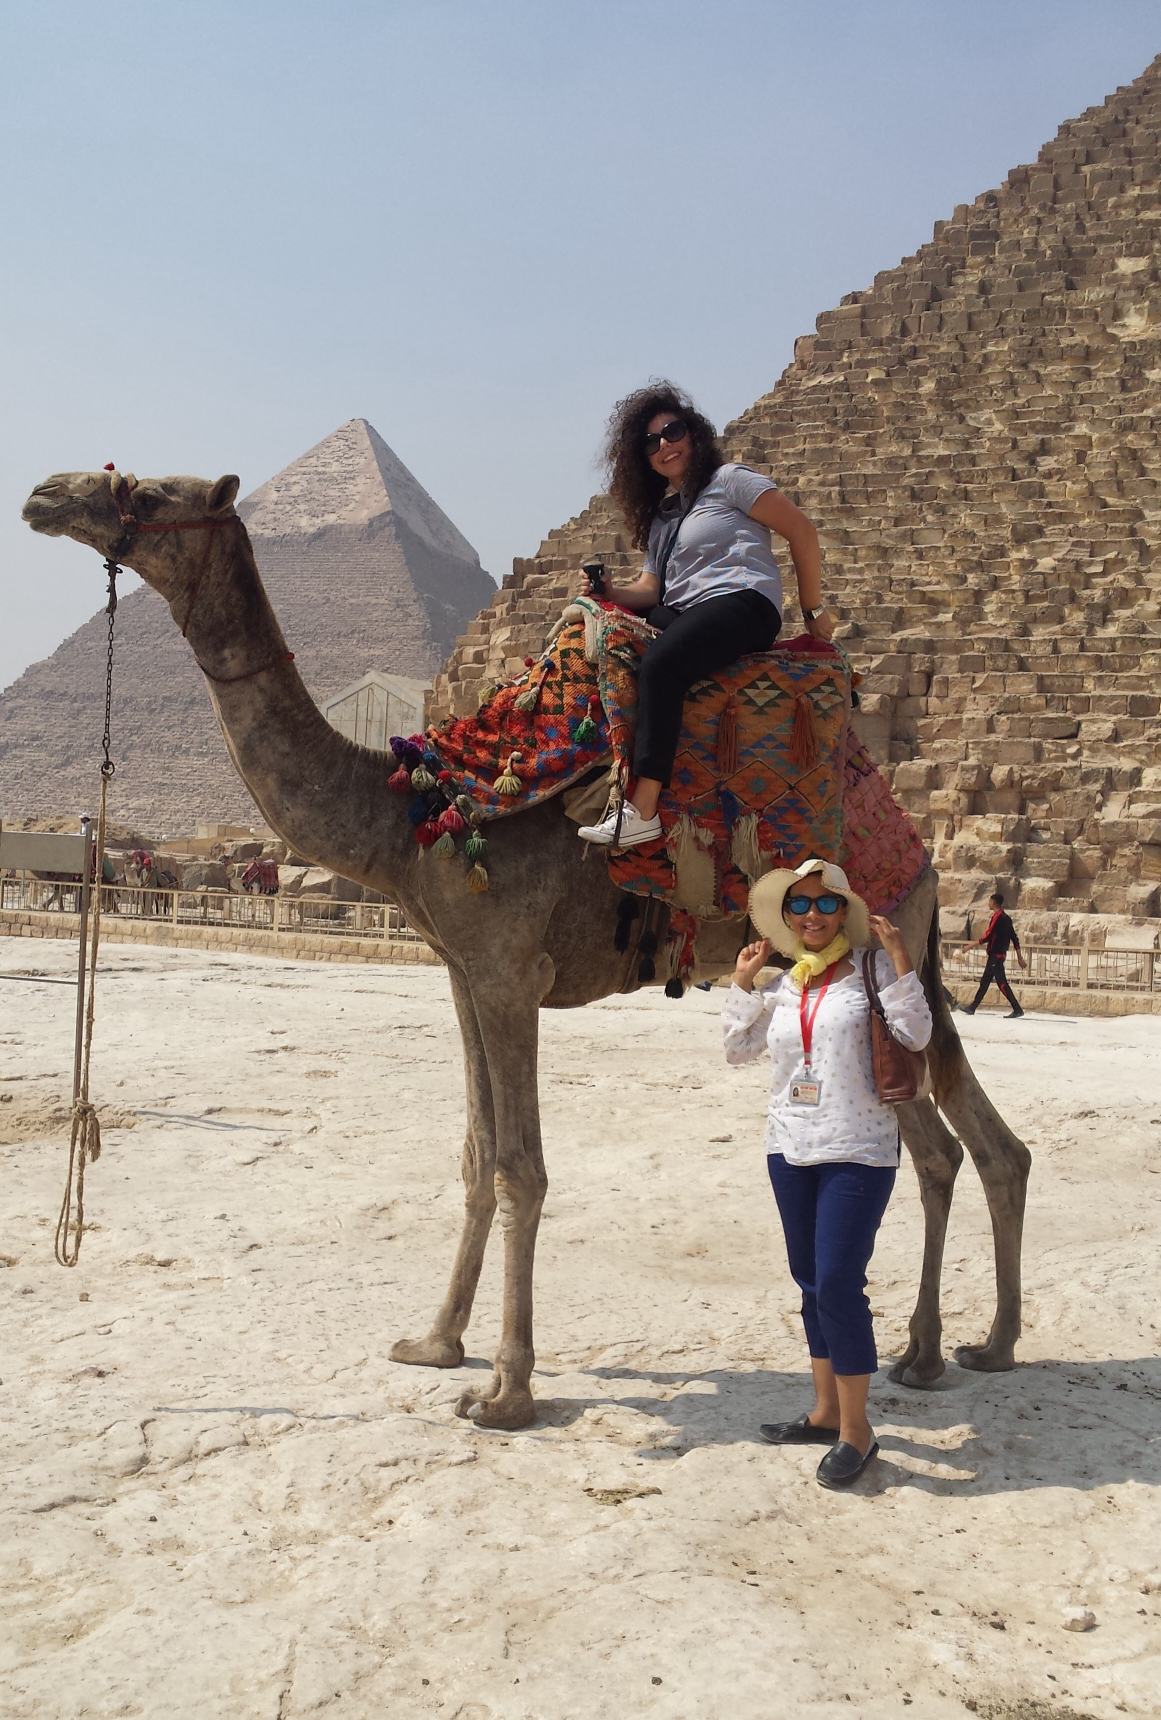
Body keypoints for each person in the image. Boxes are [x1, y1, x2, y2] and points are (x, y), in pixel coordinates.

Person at [721, 857, 932, 1490]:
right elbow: (737, 1050)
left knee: (840, 1281)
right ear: (786, 919)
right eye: (799, 906)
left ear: (847, 911)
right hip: (789, 1146)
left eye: (825, 904)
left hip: (858, 1149)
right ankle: (824, 1411)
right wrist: (742, 983)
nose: (812, 916)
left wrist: (899, 963)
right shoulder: (787, 985)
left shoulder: (869, 969)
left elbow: (916, 1034)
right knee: (810, 1280)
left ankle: (858, 1431)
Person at [577, 382, 835, 847]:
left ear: (693, 433)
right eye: (651, 441)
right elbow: (651, 589)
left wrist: (813, 609)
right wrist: (609, 591)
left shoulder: (730, 480)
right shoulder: (662, 519)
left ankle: (644, 810)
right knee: (615, 638)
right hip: (687, 612)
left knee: (662, 665)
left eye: (672, 431)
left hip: (743, 603)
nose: (664, 445)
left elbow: (801, 531)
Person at [963, 892, 1026, 1019]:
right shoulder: (1007, 918)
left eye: (990, 901)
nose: (988, 903)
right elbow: (1014, 938)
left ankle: (1017, 1009)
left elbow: (988, 935)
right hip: (997, 955)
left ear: (994, 903)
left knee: (1001, 983)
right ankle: (972, 1007)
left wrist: (970, 946)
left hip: (996, 956)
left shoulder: (998, 917)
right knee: (985, 982)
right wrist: (1019, 957)